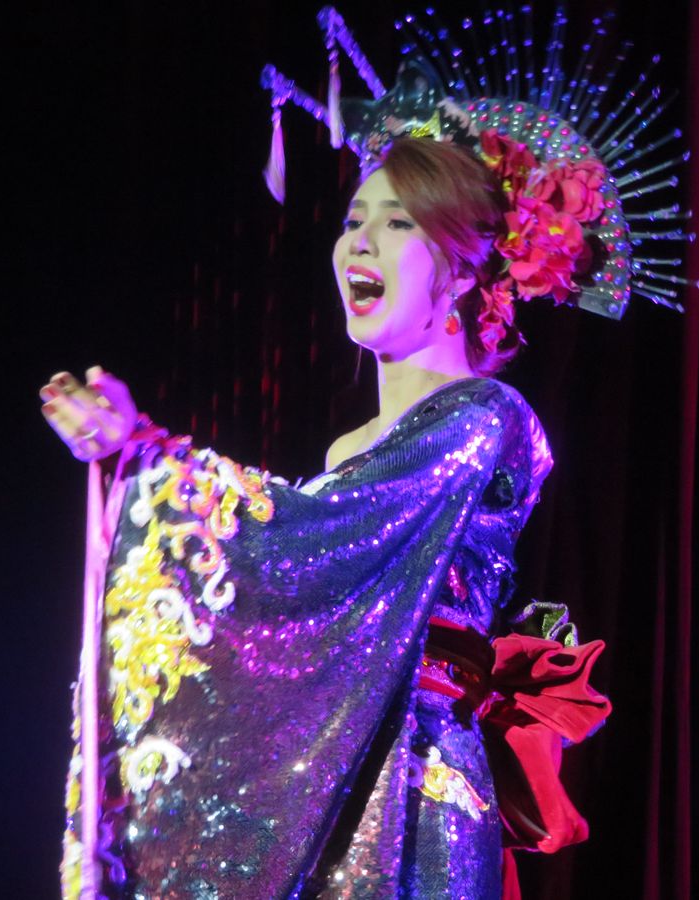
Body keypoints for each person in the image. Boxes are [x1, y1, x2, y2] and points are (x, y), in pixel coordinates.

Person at [41, 138, 611, 900]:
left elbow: (311, 543)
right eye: (352, 220)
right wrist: (133, 456)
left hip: (418, 787)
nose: (360, 241)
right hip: (332, 766)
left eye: (399, 222)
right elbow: (286, 591)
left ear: (463, 272)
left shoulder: (486, 417)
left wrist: (146, 453)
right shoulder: (346, 453)